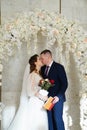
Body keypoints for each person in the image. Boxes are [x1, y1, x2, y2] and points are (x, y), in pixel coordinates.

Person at [7, 54, 48, 130]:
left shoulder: (39, 75)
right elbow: (29, 91)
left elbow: (39, 89)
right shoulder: (32, 75)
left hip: (40, 103)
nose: (41, 60)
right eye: (39, 59)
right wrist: (42, 97)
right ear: (35, 62)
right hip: (35, 103)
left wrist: (45, 94)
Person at [40, 49, 68, 130]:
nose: (41, 60)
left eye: (42, 58)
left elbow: (64, 84)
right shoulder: (43, 69)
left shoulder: (59, 67)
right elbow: (44, 84)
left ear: (48, 57)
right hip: (48, 99)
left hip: (57, 99)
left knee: (57, 119)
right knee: (50, 120)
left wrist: (58, 96)